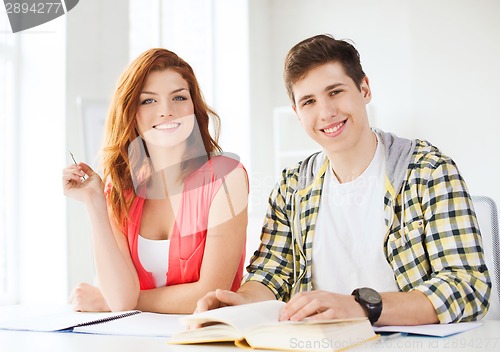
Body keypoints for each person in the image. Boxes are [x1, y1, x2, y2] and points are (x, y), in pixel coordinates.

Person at [195, 34, 491, 325]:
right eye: (309, 101)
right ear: (297, 113)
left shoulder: (428, 172)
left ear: (364, 89)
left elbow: (468, 287)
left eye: (335, 92)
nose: (326, 112)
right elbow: (270, 276)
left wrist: (361, 307)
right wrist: (240, 302)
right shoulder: (291, 187)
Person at [63, 48, 248, 313]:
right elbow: (120, 298)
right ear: (131, 112)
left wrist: (113, 301)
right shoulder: (119, 189)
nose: (166, 111)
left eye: (179, 97)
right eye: (148, 101)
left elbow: (211, 295)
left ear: (193, 107)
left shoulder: (226, 177)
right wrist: (94, 202)